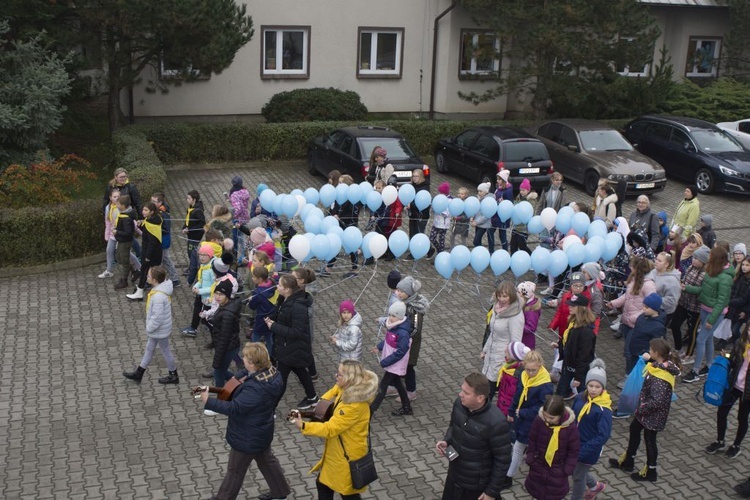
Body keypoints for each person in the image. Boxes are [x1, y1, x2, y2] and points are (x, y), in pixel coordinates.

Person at [201, 342, 291, 500]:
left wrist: (209, 401)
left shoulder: (256, 389)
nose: (243, 359)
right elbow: (245, 375)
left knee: (235, 470)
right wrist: (235, 378)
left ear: (253, 363)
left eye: (246, 358)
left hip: (247, 435)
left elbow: (234, 408)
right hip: (261, 430)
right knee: (267, 461)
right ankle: (280, 492)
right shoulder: (272, 373)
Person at [290, 359, 379, 500]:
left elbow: (331, 428)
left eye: (339, 374)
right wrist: (318, 409)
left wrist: (303, 425)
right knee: (329, 486)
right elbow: (333, 392)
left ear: (349, 378)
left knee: (345, 492)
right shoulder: (348, 387)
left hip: (346, 456)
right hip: (339, 452)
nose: (335, 376)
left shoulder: (353, 405)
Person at [609, 338, 681, 482]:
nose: (649, 351)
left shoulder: (659, 377)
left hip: (652, 415)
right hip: (647, 413)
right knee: (634, 429)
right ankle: (629, 460)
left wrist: (639, 409)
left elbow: (656, 401)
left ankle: (651, 471)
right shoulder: (662, 365)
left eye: (651, 350)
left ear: (657, 353)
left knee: (650, 440)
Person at [436, 372, 512, 500]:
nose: (461, 395)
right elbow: (453, 427)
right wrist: (447, 441)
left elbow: (502, 460)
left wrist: (491, 492)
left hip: (475, 487)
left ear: (480, 398)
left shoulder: (496, 422)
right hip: (454, 476)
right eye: (462, 390)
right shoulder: (459, 404)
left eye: (466, 393)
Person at [265, 274, 319, 409]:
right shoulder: (284, 298)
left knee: (280, 380)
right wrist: (271, 319)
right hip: (290, 347)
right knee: (300, 370)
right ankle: (312, 397)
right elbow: (280, 315)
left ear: (288, 289)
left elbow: (296, 331)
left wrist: (274, 327)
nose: (277, 286)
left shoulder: (297, 307)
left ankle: (270, 409)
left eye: (280, 285)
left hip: (292, 347)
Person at [682, 246, 734, 383]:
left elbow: (721, 301)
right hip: (704, 308)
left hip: (714, 314)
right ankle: (709, 366)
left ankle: (695, 370)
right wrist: (686, 288)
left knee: (700, 339)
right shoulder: (713, 271)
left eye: (711, 256)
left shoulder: (725, 278)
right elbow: (704, 290)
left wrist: (712, 319)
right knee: (708, 338)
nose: (708, 258)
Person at [122, 266, 179, 384]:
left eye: (148, 276)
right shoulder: (160, 291)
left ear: (154, 280)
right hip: (160, 329)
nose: (147, 277)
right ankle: (139, 373)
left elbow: (157, 317)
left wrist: (149, 328)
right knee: (150, 349)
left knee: (164, 351)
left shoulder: (158, 296)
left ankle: (173, 374)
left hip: (158, 330)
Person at [506, 350, 554, 486]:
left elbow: (543, 408)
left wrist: (522, 412)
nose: (530, 373)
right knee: (519, 445)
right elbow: (517, 395)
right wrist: (511, 411)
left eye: (534, 370)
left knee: (518, 447)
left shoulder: (545, 385)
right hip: (520, 418)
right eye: (528, 369)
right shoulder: (523, 375)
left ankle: (508, 476)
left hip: (533, 421)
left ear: (540, 366)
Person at [705, 323, 750, 459]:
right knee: (722, 411)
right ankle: (720, 441)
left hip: (747, 392)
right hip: (734, 385)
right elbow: (735, 361)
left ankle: (736, 445)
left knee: (742, 418)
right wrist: (727, 357)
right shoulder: (741, 343)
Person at [524, 395, 581, 500]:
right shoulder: (539, 420)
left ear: (561, 415)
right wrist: (530, 456)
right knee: (538, 493)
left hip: (558, 471)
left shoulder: (570, 429)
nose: (547, 419)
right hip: (538, 466)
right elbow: (532, 438)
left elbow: (573, 451)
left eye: (551, 418)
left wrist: (566, 470)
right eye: (545, 416)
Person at [570, 359, 611, 500]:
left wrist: (584, 450)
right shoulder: (581, 398)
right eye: (591, 385)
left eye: (597, 386)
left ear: (603, 388)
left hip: (588, 449)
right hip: (574, 443)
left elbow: (603, 435)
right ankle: (595, 486)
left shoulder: (603, 409)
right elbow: (572, 416)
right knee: (575, 470)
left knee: (578, 477)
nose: (593, 389)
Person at [481, 281, 525, 402]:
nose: (501, 299)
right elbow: (492, 333)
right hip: (491, 354)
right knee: (486, 386)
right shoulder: (497, 308)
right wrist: (485, 350)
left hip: (502, 358)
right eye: (499, 295)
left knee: (490, 390)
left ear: (512, 295)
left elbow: (516, 342)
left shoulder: (516, 315)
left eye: (505, 296)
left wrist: (509, 360)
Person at [369, 301, 413, 416]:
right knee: (397, 382)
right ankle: (407, 406)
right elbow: (389, 341)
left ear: (399, 316)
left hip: (395, 363)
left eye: (393, 316)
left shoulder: (402, 332)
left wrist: (385, 362)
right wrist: (379, 347)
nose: (390, 318)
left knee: (383, 386)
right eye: (390, 315)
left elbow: (401, 351)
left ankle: (371, 410)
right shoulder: (394, 326)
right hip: (392, 361)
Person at [551, 295, 597, 399]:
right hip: (568, 364)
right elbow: (568, 339)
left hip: (578, 369)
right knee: (560, 393)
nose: (569, 307)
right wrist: (560, 346)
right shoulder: (573, 321)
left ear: (581, 308)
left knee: (584, 395)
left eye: (573, 306)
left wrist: (578, 377)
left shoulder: (586, 332)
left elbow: (584, 356)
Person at [672, 245, 709, 363]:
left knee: (692, 330)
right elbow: (685, 279)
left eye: (696, 259)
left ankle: (690, 355)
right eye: (693, 257)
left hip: (695, 307)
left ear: (703, 261)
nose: (693, 260)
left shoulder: (706, 274)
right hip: (683, 303)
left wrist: (686, 288)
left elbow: (702, 290)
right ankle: (679, 349)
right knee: (674, 325)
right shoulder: (690, 268)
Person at [395, 276, 429, 402]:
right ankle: (394, 385)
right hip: (403, 341)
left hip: (411, 344)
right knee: (397, 363)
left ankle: (411, 391)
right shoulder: (404, 304)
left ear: (408, 294)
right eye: (398, 290)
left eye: (401, 291)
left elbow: (415, 329)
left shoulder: (414, 309)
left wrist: (404, 337)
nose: (397, 293)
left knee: (408, 367)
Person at [127, 202, 163, 301]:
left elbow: (152, 242)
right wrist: (141, 225)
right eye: (143, 209)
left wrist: (147, 256)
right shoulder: (151, 221)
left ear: (151, 212)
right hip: (153, 252)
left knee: (146, 271)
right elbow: (146, 229)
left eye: (146, 210)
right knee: (148, 271)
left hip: (151, 253)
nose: (143, 212)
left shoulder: (151, 224)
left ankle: (141, 292)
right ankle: (141, 291)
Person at [210, 279, 242, 389]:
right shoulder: (225, 306)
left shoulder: (227, 314)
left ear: (227, 296)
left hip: (228, 347)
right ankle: (240, 384)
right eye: (216, 293)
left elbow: (224, 337)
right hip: (228, 346)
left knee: (218, 372)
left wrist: (217, 359)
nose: (218, 297)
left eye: (221, 294)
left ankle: (221, 398)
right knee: (222, 371)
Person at [625, 293, 666, 376]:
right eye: (643, 306)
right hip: (634, 352)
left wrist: (648, 353)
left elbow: (658, 345)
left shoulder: (658, 327)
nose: (643, 309)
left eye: (646, 307)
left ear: (654, 308)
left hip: (645, 358)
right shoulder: (642, 317)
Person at [292, 267, 320, 382]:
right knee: (305, 351)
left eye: (293, 277)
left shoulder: (307, 294)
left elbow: (309, 312)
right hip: (301, 327)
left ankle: (312, 375)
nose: (290, 278)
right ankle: (312, 374)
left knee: (306, 352)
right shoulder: (299, 290)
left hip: (305, 328)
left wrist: (296, 311)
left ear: (301, 281)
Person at [181, 244, 216, 337]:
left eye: (204, 255)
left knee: (207, 320)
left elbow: (215, 286)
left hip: (210, 300)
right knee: (204, 317)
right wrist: (196, 286)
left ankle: (216, 338)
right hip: (204, 298)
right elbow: (201, 280)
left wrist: (200, 291)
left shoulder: (212, 269)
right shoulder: (204, 266)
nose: (202, 257)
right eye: (200, 255)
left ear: (210, 256)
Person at [246, 266, 279, 352]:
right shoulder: (272, 284)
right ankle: (270, 355)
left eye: (253, 277)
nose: (252, 278)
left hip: (261, 318)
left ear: (260, 279)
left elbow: (252, 306)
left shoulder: (258, 292)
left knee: (255, 337)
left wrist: (251, 300)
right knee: (269, 337)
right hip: (272, 316)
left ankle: (254, 355)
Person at [150, 192, 180, 286]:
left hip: (163, 240)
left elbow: (165, 229)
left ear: (160, 203)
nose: (152, 202)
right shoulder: (157, 211)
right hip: (159, 240)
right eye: (151, 200)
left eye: (154, 201)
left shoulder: (163, 214)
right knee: (163, 260)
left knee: (165, 259)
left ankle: (174, 279)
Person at [646, 252, 681, 328]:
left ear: (666, 264)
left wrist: (654, 301)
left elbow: (672, 301)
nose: (656, 262)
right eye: (656, 259)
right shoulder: (654, 271)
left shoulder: (672, 281)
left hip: (662, 312)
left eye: (659, 261)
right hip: (650, 308)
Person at [496, 342, 530, 417]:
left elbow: (510, 395)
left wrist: (509, 413)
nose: (505, 351)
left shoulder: (514, 375)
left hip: (506, 407)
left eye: (507, 351)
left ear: (513, 356)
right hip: (502, 402)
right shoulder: (509, 366)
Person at [113, 194, 137, 291]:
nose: (117, 205)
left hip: (125, 242)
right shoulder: (123, 215)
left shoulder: (126, 218)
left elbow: (128, 232)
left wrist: (117, 232)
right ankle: (134, 271)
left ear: (123, 205)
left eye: (118, 204)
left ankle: (124, 280)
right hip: (121, 240)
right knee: (119, 258)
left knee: (124, 260)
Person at [183, 190, 206, 284]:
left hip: (195, 235)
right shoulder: (191, 208)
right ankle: (192, 267)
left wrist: (190, 229)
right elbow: (187, 219)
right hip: (190, 234)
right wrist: (184, 227)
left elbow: (202, 224)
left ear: (194, 199)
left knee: (192, 252)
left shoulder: (198, 211)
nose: (187, 200)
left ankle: (195, 268)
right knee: (190, 251)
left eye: (189, 198)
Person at [511, 178, 537, 253]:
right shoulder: (519, 197)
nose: (521, 192)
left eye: (523, 190)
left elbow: (531, 213)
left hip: (524, 228)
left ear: (528, 190)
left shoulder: (531, 201)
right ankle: (512, 260)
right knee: (513, 245)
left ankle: (530, 256)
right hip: (516, 225)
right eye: (520, 190)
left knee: (522, 245)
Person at [728, 256, 750, 345]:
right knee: (731, 327)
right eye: (743, 264)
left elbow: (746, 299)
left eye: (747, 265)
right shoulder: (740, 275)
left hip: (742, 309)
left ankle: (739, 342)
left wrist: (745, 311)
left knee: (735, 329)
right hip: (734, 306)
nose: (744, 267)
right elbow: (734, 289)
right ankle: (734, 341)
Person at [428, 182, 452, 256]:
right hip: (436, 222)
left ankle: (441, 254)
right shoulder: (439, 198)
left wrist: (439, 211)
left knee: (441, 240)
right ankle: (439, 250)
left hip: (444, 224)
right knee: (432, 238)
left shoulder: (450, 200)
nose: (440, 194)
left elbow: (447, 213)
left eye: (442, 192)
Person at [493, 170, 513, 251]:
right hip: (496, 215)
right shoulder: (498, 188)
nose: (497, 181)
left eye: (499, 179)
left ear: (504, 180)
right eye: (497, 179)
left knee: (502, 235)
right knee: (494, 232)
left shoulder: (508, 190)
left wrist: (503, 202)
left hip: (503, 216)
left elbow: (510, 203)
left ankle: (505, 250)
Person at [471, 182, 495, 252]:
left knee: (476, 241)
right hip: (478, 224)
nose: (479, 193)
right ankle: (479, 254)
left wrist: (476, 222)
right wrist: (472, 217)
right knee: (477, 241)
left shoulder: (488, 201)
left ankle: (484, 253)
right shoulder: (479, 199)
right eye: (478, 191)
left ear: (486, 192)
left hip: (484, 225)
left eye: (480, 191)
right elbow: (475, 209)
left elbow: (486, 215)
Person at [517, 281, 541, 349]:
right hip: (521, 338)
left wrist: (517, 325)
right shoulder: (523, 304)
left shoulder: (531, 310)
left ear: (524, 295)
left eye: (519, 292)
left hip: (526, 342)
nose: (517, 294)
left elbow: (531, 328)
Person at [407, 169, 430, 238]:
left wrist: (411, 205)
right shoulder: (412, 186)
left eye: (417, 176)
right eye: (413, 176)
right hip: (413, 214)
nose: (414, 178)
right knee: (412, 233)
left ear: (421, 177)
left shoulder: (425, 188)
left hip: (421, 215)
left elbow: (422, 202)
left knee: (419, 234)